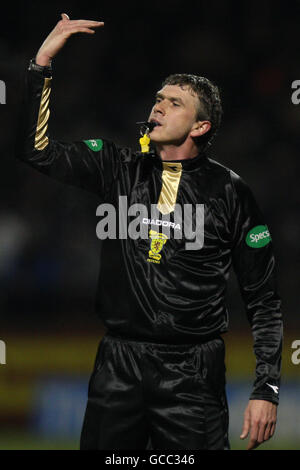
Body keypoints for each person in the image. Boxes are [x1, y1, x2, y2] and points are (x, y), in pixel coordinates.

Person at [16, 13, 283, 450]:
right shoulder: (116, 167)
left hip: (193, 374)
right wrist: (41, 65)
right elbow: (35, 151)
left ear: (200, 127)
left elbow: (264, 299)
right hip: (118, 367)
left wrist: (266, 388)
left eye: (175, 102)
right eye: (159, 97)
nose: (158, 105)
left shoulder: (229, 192)